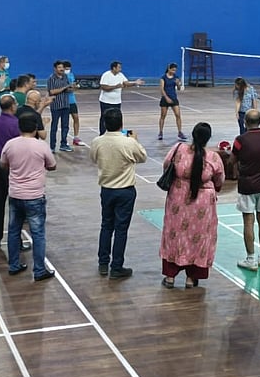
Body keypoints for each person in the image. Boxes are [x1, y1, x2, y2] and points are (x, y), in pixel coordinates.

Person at [159, 122, 225, 288]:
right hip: (203, 203)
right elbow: (220, 179)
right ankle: (191, 278)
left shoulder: (178, 149)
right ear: (208, 138)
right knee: (199, 237)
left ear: (193, 134)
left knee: (174, 235)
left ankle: (170, 277)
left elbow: (166, 165)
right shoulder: (213, 157)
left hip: (177, 199)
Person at [90, 108, 148, 279]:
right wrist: (135, 140)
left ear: (105, 123)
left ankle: (103, 263)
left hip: (107, 189)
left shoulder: (97, 141)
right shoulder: (128, 142)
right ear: (121, 124)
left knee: (106, 226)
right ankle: (116, 266)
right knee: (121, 229)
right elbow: (142, 157)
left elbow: (93, 158)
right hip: (125, 190)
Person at [0, 112, 58, 281]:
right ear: (35, 129)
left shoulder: (10, 144)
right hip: (34, 196)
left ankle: (14, 265)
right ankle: (39, 270)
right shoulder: (41, 146)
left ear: (19, 128)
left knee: (13, 231)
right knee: (38, 234)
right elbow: (52, 165)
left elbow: (3, 164)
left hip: (15, 195)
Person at [232, 109, 260, 271]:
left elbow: (232, 160)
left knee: (248, 222)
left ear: (245, 122)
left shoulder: (240, 140)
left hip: (247, 186)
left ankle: (251, 259)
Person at [0, 95, 20, 250]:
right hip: (11, 164)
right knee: (16, 204)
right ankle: (16, 242)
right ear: (12, 106)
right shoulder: (16, 123)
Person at [98, 61, 144, 135]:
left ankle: (117, 133)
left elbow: (126, 83)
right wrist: (115, 86)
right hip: (106, 101)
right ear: (114, 68)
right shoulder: (106, 75)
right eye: (119, 67)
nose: (120, 69)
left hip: (117, 102)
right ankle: (102, 133)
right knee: (104, 117)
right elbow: (103, 87)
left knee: (117, 117)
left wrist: (135, 83)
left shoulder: (121, 75)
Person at [46, 60, 74, 152]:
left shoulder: (65, 76)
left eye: (62, 67)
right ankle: (52, 146)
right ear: (55, 69)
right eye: (59, 67)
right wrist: (64, 88)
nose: (62, 69)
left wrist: (72, 88)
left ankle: (64, 144)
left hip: (65, 105)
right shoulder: (51, 78)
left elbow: (67, 89)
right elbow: (52, 91)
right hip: (56, 106)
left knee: (65, 126)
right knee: (54, 126)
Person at [158, 63, 187, 142]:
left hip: (174, 98)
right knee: (163, 116)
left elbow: (179, 88)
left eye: (175, 70)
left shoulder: (176, 77)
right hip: (165, 99)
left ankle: (180, 132)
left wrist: (178, 84)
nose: (174, 72)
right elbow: (162, 89)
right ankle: (160, 132)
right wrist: (166, 98)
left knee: (178, 115)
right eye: (173, 70)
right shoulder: (163, 78)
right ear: (169, 69)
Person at [63, 60, 84, 146]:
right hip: (64, 101)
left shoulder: (71, 75)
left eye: (69, 69)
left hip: (72, 100)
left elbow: (73, 85)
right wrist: (72, 88)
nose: (67, 70)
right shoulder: (61, 77)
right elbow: (66, 89)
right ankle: (64, 140)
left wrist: (75, 86)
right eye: (66, 69)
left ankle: (76, 138)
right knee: (65, 121)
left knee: (76, 118)